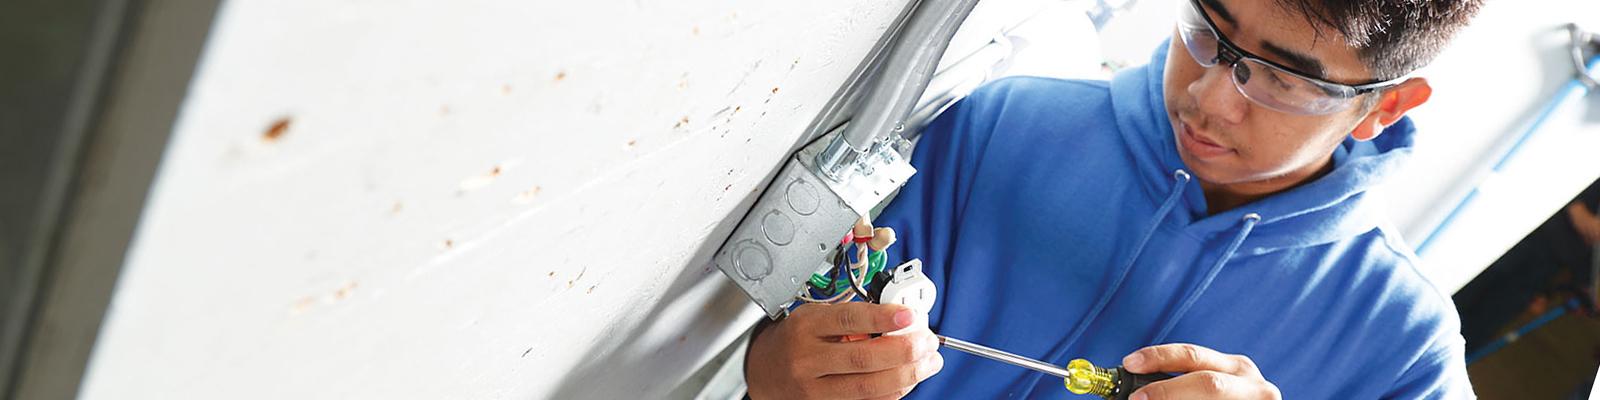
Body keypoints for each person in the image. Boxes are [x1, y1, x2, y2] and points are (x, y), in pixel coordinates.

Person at [745, 0, 1484, 398]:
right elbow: (817, 328)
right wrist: (775, 373)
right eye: (1208, 30)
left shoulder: (1401, 347)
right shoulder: (1002, 126)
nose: (1207, 97)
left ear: (1387, 106)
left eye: (1284, 78)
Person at [1454, 178, 1600, 354]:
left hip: (1546, 269)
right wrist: (1576, 207)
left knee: (1478, 329)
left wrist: (1551, 291)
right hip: (1528, 235)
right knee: (1460, 297)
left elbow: (1589, 262)